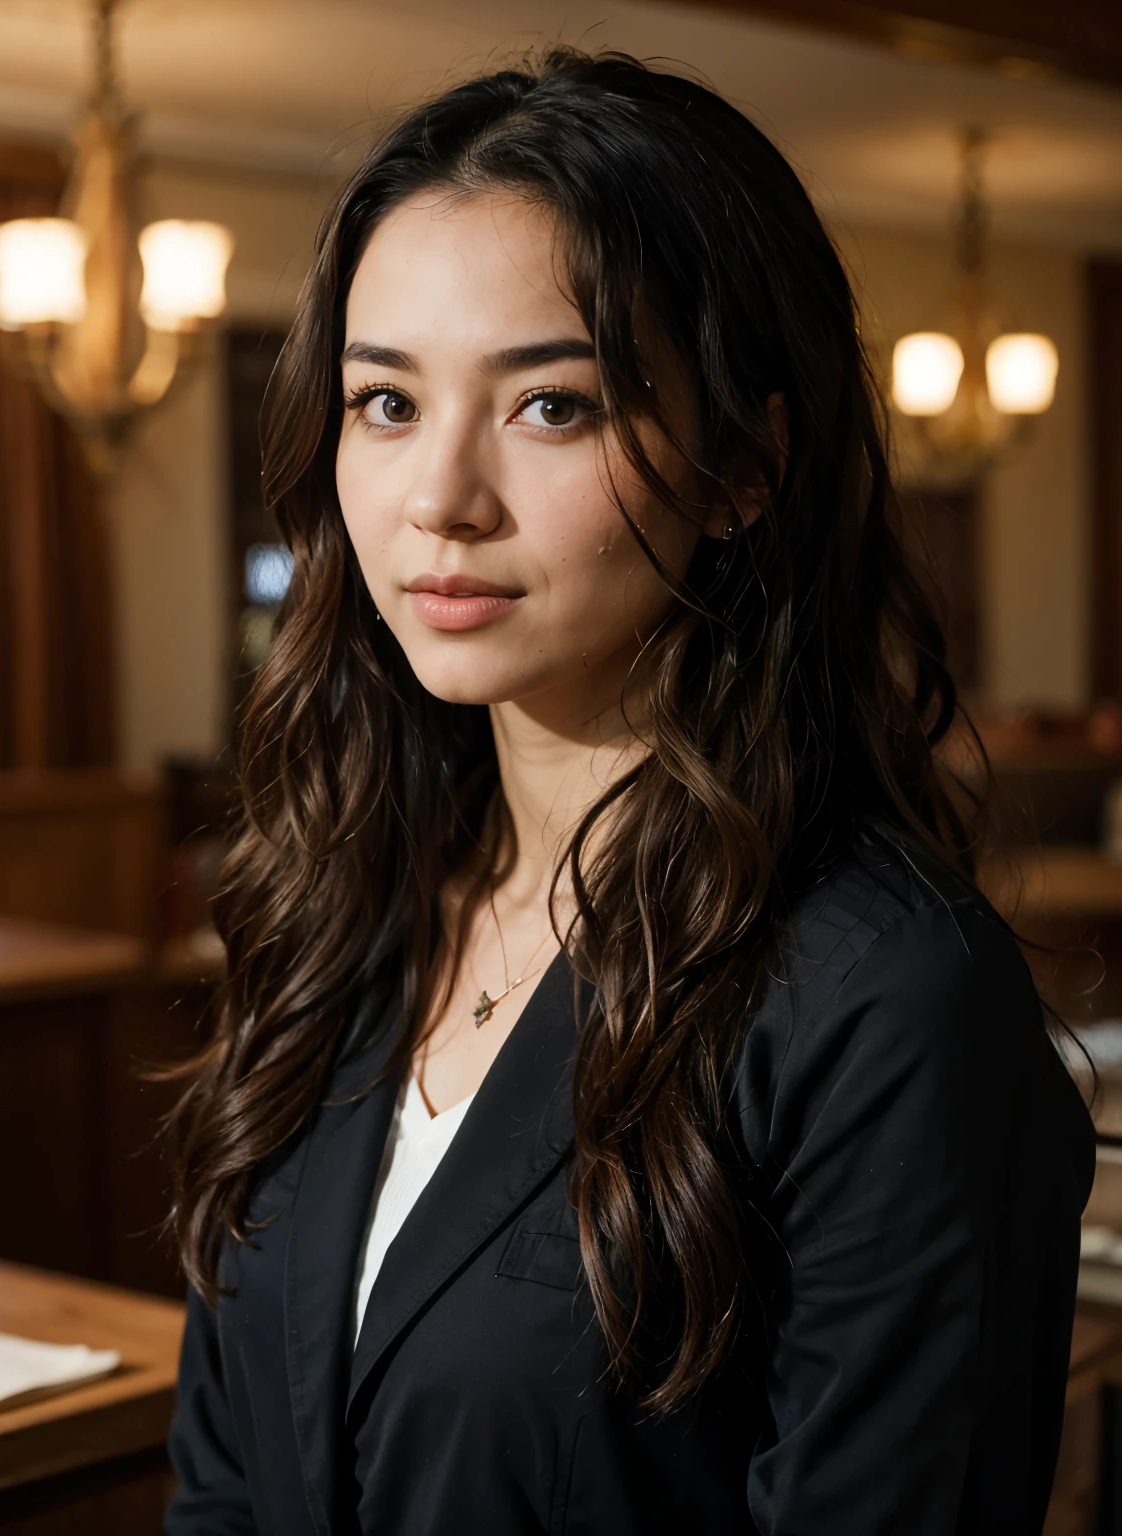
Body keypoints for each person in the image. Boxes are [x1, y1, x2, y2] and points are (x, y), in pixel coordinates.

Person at [164, 49, 1094, 1536]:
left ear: (742, 465)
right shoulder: (347, 907)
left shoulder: (887, 1001)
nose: (439, 501)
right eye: (385, 402)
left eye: (552, 408)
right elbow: (224, 1480)